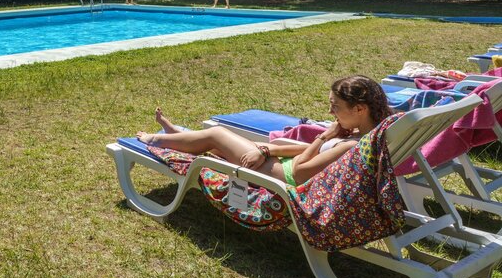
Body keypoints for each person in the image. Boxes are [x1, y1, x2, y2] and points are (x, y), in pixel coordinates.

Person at [135, 75, 392, 187]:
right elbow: (311, 154)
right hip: (279, 164)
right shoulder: (367, 135)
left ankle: (157, 139)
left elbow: (301, 172)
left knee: (217, 135)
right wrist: (268, 150)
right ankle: (175, 133)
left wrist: (325, 136)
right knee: (221, 144)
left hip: (282, 176)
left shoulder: (352, 144)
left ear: (359, 109)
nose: (330, 112)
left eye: (335, 107)